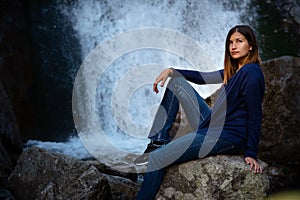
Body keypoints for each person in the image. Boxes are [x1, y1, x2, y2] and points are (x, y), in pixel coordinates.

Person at [135, 25, 265, 200]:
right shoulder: (234, 70)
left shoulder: (251, 73)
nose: (233, 46)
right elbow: (204, 78)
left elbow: (255, 115)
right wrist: (172, 70)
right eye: (230, 42)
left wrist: (251, 153)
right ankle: (158, 141)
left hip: (227, 136)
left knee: (157, 159)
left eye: (239, 41)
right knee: (176, 83)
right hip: (213, 125)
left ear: (251, 46)